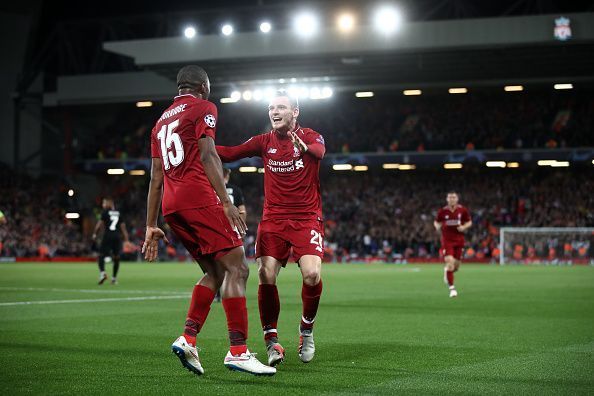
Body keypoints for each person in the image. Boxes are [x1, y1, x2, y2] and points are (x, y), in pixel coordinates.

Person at [141, 65, 275, 376]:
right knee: (238, 268)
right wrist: (226, 202)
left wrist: (151, 224)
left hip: (172, 207)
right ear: (203, 85)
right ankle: (238, 351)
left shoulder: (160, 122)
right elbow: (208, 154)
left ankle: (188, 339)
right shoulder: (204, 107)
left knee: (216, 272)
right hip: (198, 198)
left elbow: (155, 177)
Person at [217, 90, 325, 367]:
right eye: (270, 108)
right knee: (265, 273)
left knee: (312, 274)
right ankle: (271, 340)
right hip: (273, 220)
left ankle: (306, 331)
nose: (274, 112)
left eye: (280, 107)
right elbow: (230, 153)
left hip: (306, 218)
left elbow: (319, 152)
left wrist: (299, 142)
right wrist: (201, 147)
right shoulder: (264, 142)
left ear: (295, 112)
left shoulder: (312, 135)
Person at [214, 168, 247, 302]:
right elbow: (242, 211)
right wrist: (241, 228)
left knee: (217, 264)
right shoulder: (236, 190)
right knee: (238, 267)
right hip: (232, 231)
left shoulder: (212, 188)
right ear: (227, 175)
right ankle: (237, 293)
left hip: (215, 229)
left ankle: (217, 292)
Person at [433, 191, 472, 298]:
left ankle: (447, 271)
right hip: (447, 241)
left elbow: (469, 222)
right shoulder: (443, 211)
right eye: (450, 197)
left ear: (457, 199)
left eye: (454, 197)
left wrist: (464, 227)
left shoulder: (462, 210)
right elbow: (436, 221)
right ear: (447, 199)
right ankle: (452, 289)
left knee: (456, 267)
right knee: (450, 263)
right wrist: (437, 226)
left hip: (459, 241)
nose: (452, 199)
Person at [92, 198, 129, 285]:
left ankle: (102, 273)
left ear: (109, 203)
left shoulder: (105, 212)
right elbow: (123, 228)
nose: (103, 205)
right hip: (117, 237)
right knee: (116, 257)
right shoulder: (118, 213)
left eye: (104, 203)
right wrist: (126, 240)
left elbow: (99, 225)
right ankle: (114, 278)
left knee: (101, 255)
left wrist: (94, 234)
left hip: (108, 235)